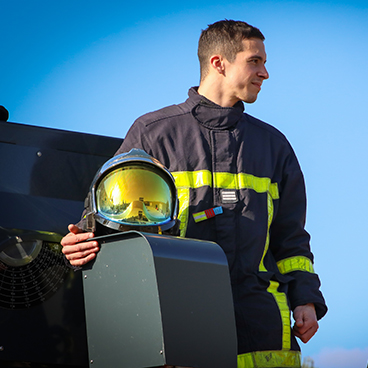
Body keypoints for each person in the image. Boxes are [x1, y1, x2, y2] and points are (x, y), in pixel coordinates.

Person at [62, 20, 327, 368]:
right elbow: (111, 214)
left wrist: (305, 298)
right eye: (254, 61)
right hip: (176, 319)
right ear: (219, 63)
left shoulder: (274, 146)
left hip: (262, 326)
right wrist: (83, 238)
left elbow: (291, 239)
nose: (265, 73)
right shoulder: (154, 134)